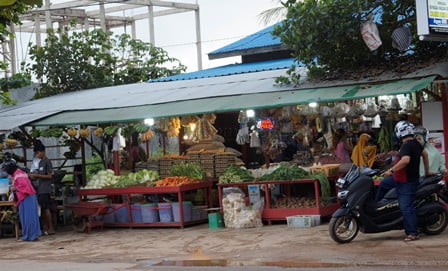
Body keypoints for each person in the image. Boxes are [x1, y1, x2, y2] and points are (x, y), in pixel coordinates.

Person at [381, 121, 430, 242]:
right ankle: (378, 210)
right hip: (400, 178)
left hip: (406, 181)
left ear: (399, 132)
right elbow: (425, 155)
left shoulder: (407, 145)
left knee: (406, 207)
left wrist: (391, 171)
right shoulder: (416, 143)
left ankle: (413, 233)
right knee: (383, 184)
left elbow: (405, 160)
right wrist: (427, 171)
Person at [2, 159, 41, 241]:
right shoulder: (17, 173)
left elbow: (25, 187)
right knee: (24, 218)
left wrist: (15, 188)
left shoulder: (19, 174)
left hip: (27, 197)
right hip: (23, 197)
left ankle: (31, 236)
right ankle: (27, 236)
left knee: (29, 218)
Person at [28, 143, 55, 235]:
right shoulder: (40, 162)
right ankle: (45, 227)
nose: (37, 155)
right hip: (39, 188)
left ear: (42, 152)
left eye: (38, 153)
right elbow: (40, 175)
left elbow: (49, 176)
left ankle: (51, 227)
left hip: (45, 189)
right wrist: (33, 177)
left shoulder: (47, 162)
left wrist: (37, 175)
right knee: (42, 209)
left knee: (46, 208)